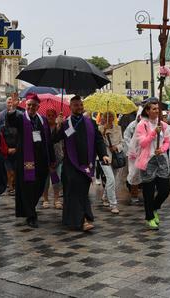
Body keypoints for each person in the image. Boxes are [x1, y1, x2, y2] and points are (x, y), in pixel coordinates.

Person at [54, 95, 109, 232]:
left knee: (82, 191)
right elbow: (55, 138)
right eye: (76, 105)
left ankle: (72, 219)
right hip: (70, 163)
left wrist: (104, 154)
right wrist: (58, 125)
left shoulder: (90, 122)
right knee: (73, 190)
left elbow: (98, 140)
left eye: (80, 105)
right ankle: (83, 219)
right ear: (70, 107)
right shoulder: (66, 123)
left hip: (86, 163)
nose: (79, 107)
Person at [6, 93, 56, 228]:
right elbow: (10, 121)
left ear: (38, 106)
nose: (31, 107)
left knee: (39, 186)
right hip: (26, 160)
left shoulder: (43, 120)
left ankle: (30, 208)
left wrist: (52, 158)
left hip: (41, 159)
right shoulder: (21, 118)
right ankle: (31, 214)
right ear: (25, 105)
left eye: (34, 105)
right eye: (29, 105)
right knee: (28, 187)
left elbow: (49, 140)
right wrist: (13, 108)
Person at [132, 99, 170, 229]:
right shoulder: (142, 125)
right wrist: (154, 133)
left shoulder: (164, 125)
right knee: (148, 192)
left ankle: (154, 208)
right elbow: (142, 143)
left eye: (157, 108)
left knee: (165, 190)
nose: (156, 110)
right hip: (147, 161)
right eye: (153, 109)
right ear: (147, 111)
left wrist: (163, 149)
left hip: (161, 160)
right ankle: (149, 217)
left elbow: (167, 141)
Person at [98, 112, 122, 214]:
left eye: (111, 116)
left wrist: (116, 147)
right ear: (103, 118)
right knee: (111, 179)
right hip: (104, 156)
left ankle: (104, 197)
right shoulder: (99, 128)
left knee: (112, 179)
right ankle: (113, 204)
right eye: (106, 116)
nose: (109, 118)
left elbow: (122, 142)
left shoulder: (118, 128)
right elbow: (99, 142)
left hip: (116, 157)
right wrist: (104, 131)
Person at [42, 108, 64, 210]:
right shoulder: (43, 127)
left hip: (58, 157)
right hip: (46, 158)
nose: (50, 117)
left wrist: (59, 125)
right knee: (45, 180)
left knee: (57, 179)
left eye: (52, 115)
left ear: (55, 116)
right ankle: (45, 199)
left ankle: (56, 199)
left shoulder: (59, 126)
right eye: (48, 115)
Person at [124, 107, 143, 205]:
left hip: (144, 154)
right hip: (133, 155)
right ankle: (134, 195)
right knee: (134, 174)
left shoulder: (147, 125)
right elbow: (126, 137)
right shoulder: (132, 125)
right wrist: (132, 148)